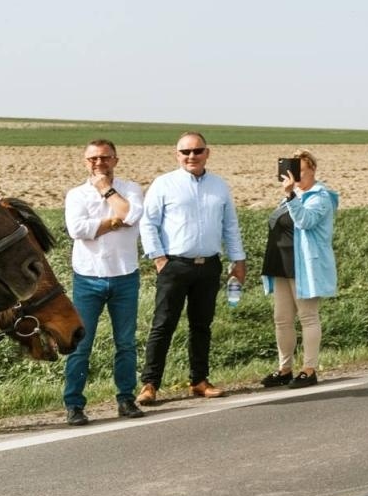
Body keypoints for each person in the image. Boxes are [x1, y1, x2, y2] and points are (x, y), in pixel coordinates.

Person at [137, 132, 246, 404]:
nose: (191, 157)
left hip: (208, 266)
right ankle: (150, 384)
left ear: (207, 153)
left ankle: (199, 380)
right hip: (174, 265)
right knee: (163, 325)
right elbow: (148, 223)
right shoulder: (164, 184)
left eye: (197, 151)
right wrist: (159, 259)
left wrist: (239, 260)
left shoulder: (219, 186)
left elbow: (230, 225)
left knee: (202, 325)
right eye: (185, 152)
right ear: (177, 155)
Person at [61, 139, 145, 424]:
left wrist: (105, 190)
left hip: (125, 276)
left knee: (125, 343)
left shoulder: (131, 189)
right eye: (93, 159)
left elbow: (132, 214)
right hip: (88, 278)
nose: (99, 164)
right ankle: (74, 404)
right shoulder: (75, 195)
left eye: (105, 158)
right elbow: (78, 230)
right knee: (80, 344)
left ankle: (126, 399)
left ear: (115, 160)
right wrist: (115, 220)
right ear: (85, 162)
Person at [260, 151, 339, 389]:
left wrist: (290, 194)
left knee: (307, 316)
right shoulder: (292, 195)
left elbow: (305, 221)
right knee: (282, 319)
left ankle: (309, 368)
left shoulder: (320, 196)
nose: (294, 177)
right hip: (282, 263)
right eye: (291, 172)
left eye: (300, 171)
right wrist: (290, 196)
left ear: (313, 170)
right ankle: (285, 368)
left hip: (304, 264)